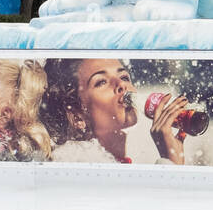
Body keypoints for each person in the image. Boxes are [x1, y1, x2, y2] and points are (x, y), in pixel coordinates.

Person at [42, 57, 190, 164]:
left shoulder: (108, 164)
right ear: (77, 116)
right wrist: (170, 163)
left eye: (124, 77)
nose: (121, 84)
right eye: (101, 82)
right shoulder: (75, 166)